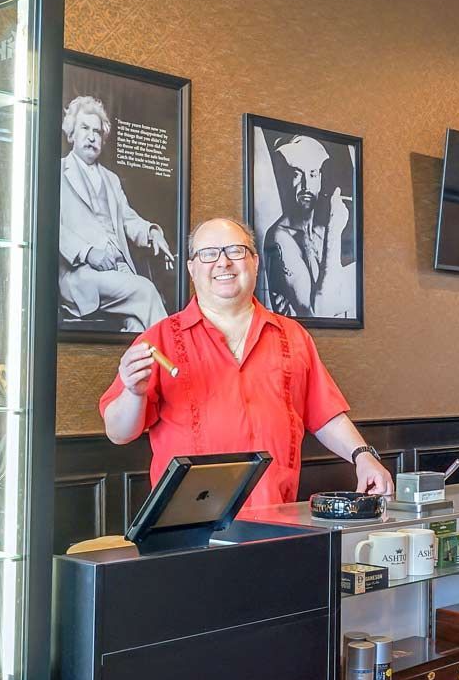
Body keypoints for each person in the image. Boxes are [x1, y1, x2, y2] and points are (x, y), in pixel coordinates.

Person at [100, 217, 393, 509]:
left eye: (235, 251)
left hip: (276, 519)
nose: (223, 262)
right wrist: (133, 393)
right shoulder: (158, 340)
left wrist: (364, 457)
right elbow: (119, 433)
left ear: (254, 261)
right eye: (208, 253)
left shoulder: (293, 336)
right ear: (191, 268)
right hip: (189, 527)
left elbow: (324, 413)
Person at [60, 95, 174, 330]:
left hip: (119, 270)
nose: (92, 136)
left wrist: (152, 233)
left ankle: (146, 368)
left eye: (97, 131)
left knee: (138, 326)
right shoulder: (56, 170)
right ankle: (180, 363)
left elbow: (129, 219)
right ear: (71, 133)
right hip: (81, 275)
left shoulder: (111, 179)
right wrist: (88, 252)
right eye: (84, 128)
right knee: (146, 290)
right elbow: (47, 225)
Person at [260, 132, 355, 320]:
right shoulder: (280, 237)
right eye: (297, 174)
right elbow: (317, 312)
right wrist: (334, 232)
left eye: (312, 174)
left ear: (319, 178)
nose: (306, 185)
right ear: (285, 179)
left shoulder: (324, 227)